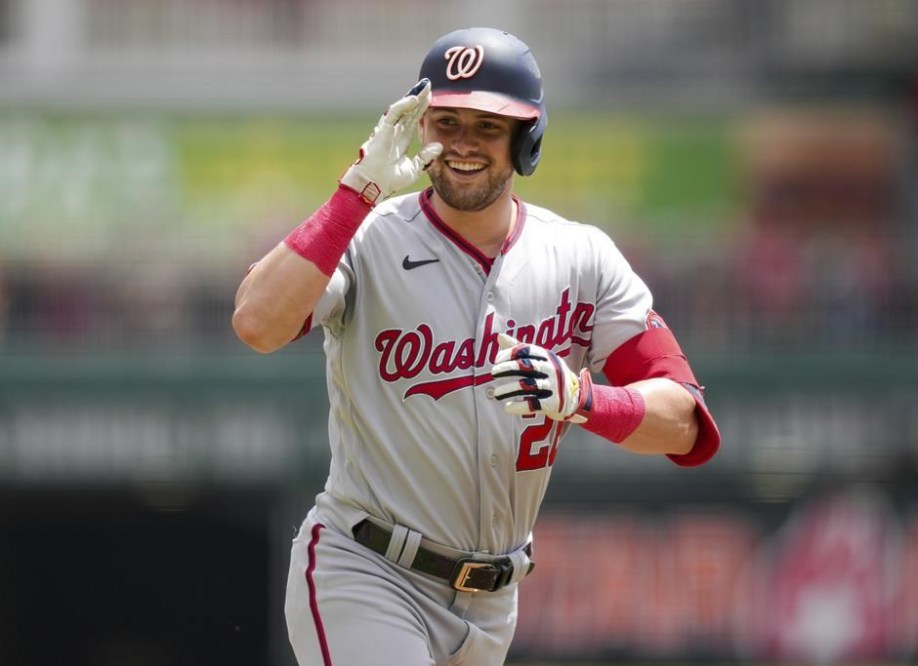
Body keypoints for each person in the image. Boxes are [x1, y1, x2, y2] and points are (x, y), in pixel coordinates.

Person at [232, 26, 721, 666]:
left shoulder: (580, 256)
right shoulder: (372, 235)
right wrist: (355, 192)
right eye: (448, 120)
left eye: (488, 126)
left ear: (528, 137)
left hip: (493, 602)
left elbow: (684, 424)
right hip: (369, 570)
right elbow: (257, 324)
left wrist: (582, 399)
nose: (462, 144)